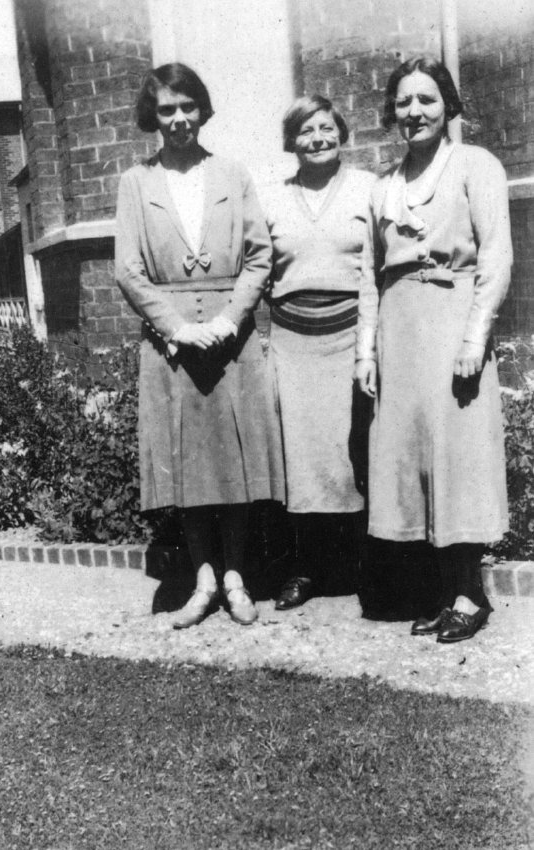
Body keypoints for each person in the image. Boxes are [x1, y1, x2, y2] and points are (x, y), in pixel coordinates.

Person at [115, 63, 284, 629]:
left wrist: (233, 317)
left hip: (230, 338)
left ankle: (235, 575)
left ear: (202, 110)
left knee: (233, 457)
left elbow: (259, 254)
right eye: (167, 110)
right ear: (153, 117)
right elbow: (130, 270)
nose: (180, 119)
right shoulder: (136, 183)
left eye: (189, 107)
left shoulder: (232, 173)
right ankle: (202, 577)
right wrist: (178, 328)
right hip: (173, 345)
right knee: (189, 462)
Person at [355, 56, 513, 642]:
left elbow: (496, 256)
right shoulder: (384, 186)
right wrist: (365, 352)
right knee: (413, 459)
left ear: (447, 104)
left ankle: (470, 595)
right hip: (400, 331)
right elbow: (369, 276)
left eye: (425, 99)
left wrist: (475, 336)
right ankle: (444, 592)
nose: (414, 112)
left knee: (457, 456)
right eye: (403, 102)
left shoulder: (476, 165)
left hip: (453, 323)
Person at [263, 95, 376, 610]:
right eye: (306, 131)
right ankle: (304, 570)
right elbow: (255, 271)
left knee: (356, 451)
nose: (318, 139)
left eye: (327, 128)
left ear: (341, 132)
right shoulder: (271, 199)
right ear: (292, 141)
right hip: (292, 343)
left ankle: (367, 567)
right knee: (302, 459)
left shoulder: (368, 189)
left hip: (354, 340)